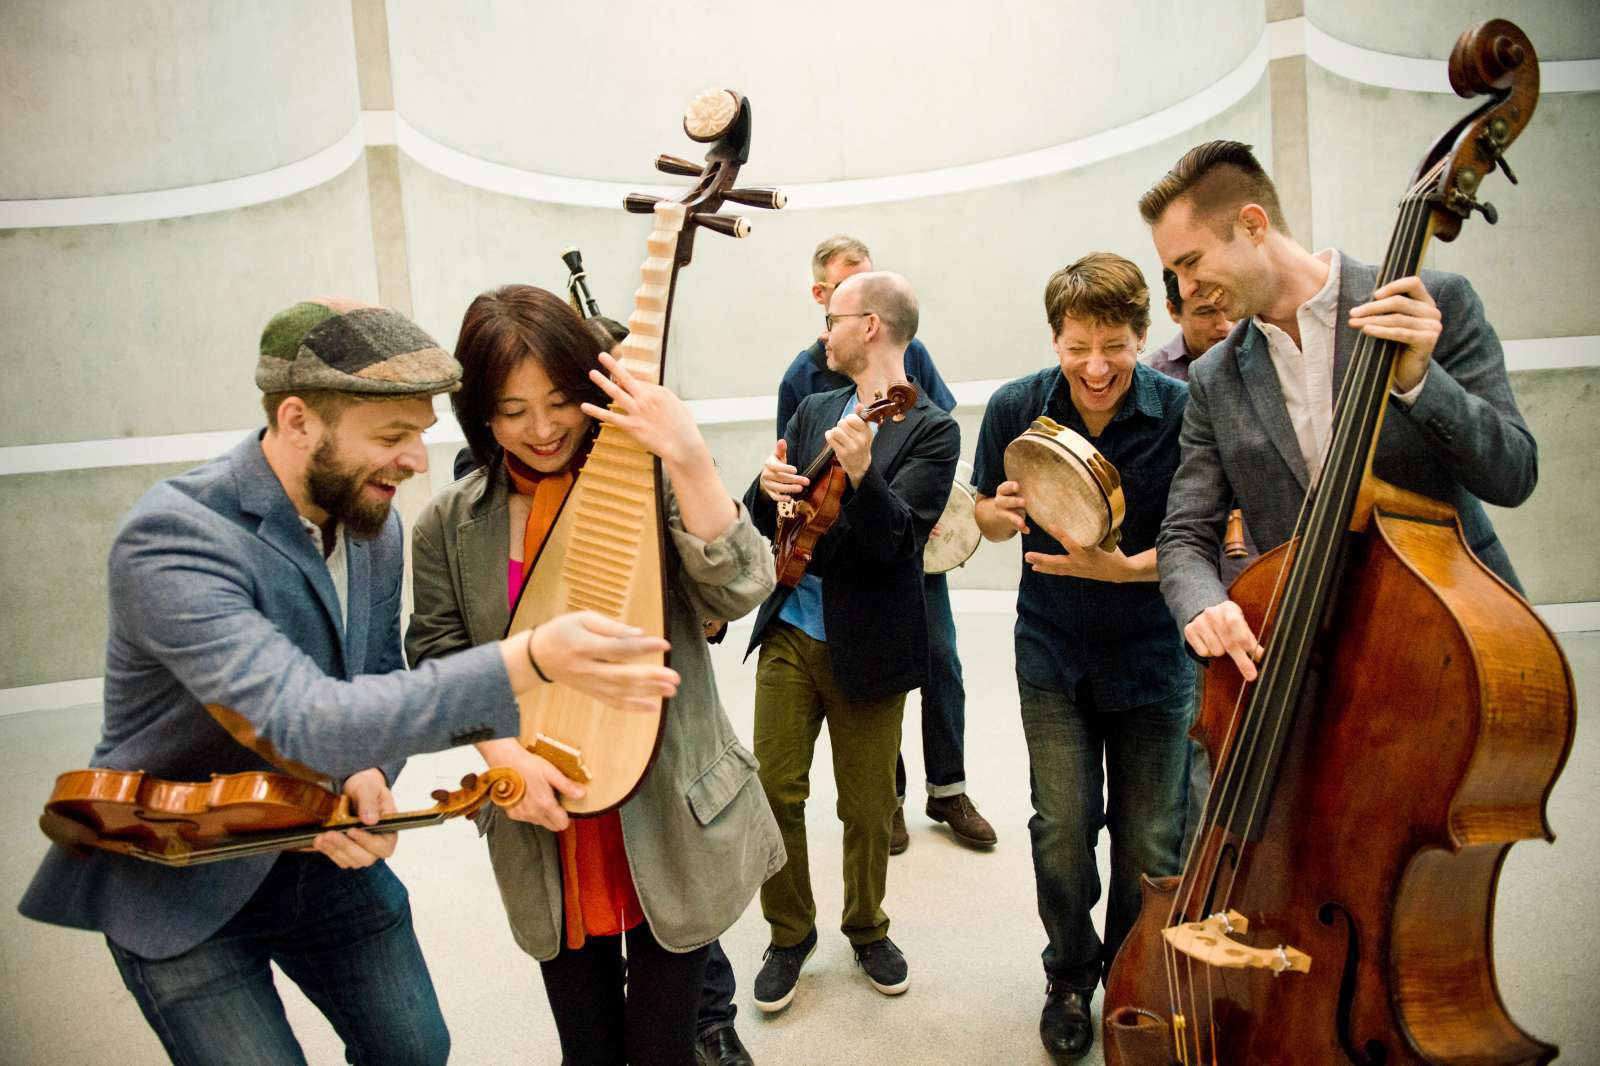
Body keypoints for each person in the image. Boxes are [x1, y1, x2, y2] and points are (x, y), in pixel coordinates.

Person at [18, 298, 679, 1066]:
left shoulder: (374, 520)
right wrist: (526, 660)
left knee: (414, 1049)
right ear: (299, 421)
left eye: (420, 435)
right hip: (183, 876)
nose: (417, 461)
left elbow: (370, 675)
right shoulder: (174, 538)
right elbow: (303, 718)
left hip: (329, 851)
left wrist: (368, 771)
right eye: (393, 437)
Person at [404, 285, 784, 1066]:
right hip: (545, 817)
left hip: (666, 808)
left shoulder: (642, 482)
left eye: (558, 401)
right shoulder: (448, 523)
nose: (541, 430)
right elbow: (439, 655)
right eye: (511, 410)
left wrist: (685, 452)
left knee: (661, 1049)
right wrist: (504, 759)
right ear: (479, 413)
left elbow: (739, 587)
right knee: (587, 1048)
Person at [1139, 140, 1536, 683]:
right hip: (1323, 662)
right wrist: (1203, 604)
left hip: (1457, 639)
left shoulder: (1430, 304)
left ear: (1253, 225)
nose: (1185, 290)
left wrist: (1422, 382)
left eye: (1191, 262)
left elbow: (1513, 474)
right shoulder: (1215, 377)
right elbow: (1185, 533)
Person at [971, 254, 1193, 1063]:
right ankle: (1069, 979)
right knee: (1062, 829)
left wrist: (1124, 568)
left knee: (1150, 843)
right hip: (1053, 652)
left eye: (1114, 345)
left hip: (1153, 656)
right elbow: (988, 520)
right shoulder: (1014, 408)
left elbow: (1201, 540)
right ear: (1055, 340)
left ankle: (1133, 978)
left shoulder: (1182, 410)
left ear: (1143, 336)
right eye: (1076, 347)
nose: (1095, 367)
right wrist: (997, 513)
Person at [744, 271, 957, 1013]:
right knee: (774, 788)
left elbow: (901, 542)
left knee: (868, 808)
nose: (821, 333)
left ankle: (866, 926)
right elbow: (773, 514)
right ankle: (789, 932)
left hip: (870, 643)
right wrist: (765, 486)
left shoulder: (933, 428)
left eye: (832, 318)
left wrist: (865, 474)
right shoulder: (813, 408)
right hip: (793, 631)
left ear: (870, 325)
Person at [775, 235, 994, 854]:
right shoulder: (805, 375)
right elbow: (796, 469)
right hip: (846, 547)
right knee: (873, 667)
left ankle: (947, 787)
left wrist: (901, 503)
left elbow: (930, 424)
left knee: (937, 659)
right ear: (824, 295)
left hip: (913, 533)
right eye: (846, 289)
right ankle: (887, 797)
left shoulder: (909, 354)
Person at [1140, 267, 1241, 860]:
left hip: (1267, 573)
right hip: (1187, 584)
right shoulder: (1154, 380)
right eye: (1205, 313)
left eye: (1229, 308)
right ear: (1175, 312)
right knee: (1192, 744)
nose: (1223, 324)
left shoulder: (1262, 361)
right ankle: (1186, 886)